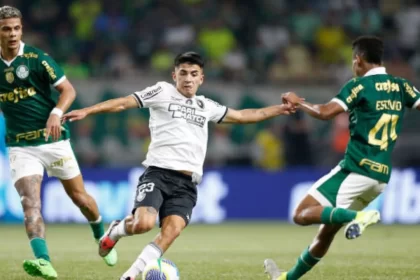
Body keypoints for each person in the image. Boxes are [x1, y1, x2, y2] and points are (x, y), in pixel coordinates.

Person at [62, 51, 297, 280]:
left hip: (188, 183)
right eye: (183, 73)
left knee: (171, 232)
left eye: (194, 73)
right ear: (174, 75)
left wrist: (281, 108)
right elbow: (124, 103)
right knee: (143, 224)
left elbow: (245, 116)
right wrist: (87, 110)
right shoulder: (162, 91)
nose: (188, 78)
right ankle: (116, 230)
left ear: (201, 79)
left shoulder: (206, 106)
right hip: (158, 173)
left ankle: (129, 276)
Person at [264, 35, 420, 280]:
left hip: (356, 169)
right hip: (380, 178)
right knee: (326, 232)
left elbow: (324, 113)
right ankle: (287, 278)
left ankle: (359, 217)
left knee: (301, 213)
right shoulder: (402, 85)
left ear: (358, 59)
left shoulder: (358, 86)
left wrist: (298, 103)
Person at [0, 6, 117, 279]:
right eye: (6, 28)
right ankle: (43, 261)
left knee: (81, 199)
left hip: (53, 140)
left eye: (17, 28)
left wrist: (56, 113)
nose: (13, 33)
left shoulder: (36, 58)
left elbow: (68, 89)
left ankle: (102, 237)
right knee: (30, 203)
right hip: (20, 146)